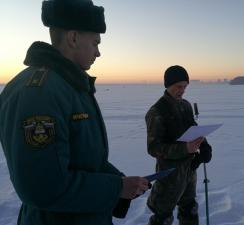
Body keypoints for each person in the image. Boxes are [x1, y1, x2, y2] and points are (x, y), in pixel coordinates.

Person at [0, 0, 150, 224]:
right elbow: (43, 188)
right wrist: (116, 188)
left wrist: (121, 182)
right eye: (95, 42)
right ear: (73, 38)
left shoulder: (70, 86)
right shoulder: (40, 93)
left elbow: (85, 159)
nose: (98, 52)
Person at [145, 65, 212, 225]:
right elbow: (154, 148)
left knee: (189, 209)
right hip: (169, 175)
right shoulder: (157, 112)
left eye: (185, 87)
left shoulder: (185, 105)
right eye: (178, 87)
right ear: (167, 85)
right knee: (163, 217)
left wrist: (204, 145)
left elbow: (193, 128)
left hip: (189, 169)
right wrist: (185, 148)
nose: (182, 90)